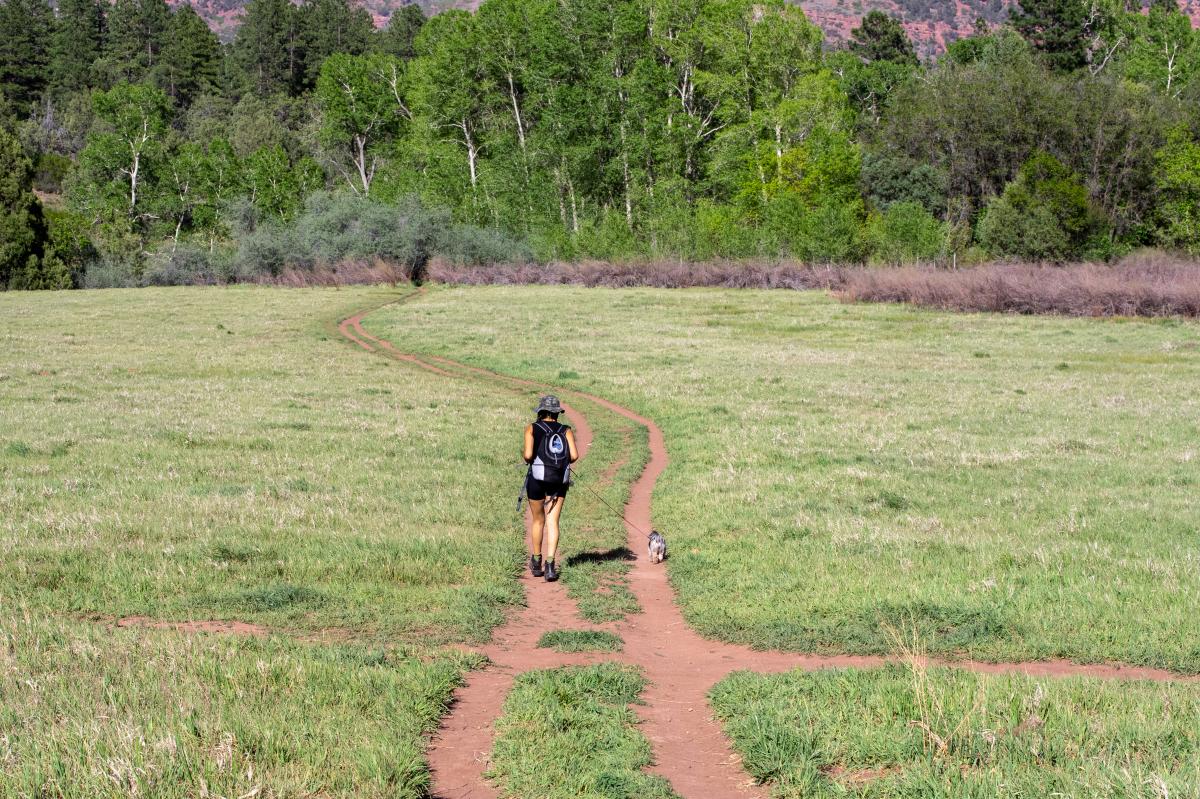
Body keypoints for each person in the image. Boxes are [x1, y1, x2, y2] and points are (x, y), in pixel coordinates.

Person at [523, 395, 579, 582]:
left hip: (537, 480)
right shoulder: (566, 430)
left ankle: (536, 561)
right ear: (556, 413)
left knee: (538, 520)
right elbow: (574, 456)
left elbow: (528, 455)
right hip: (558, 481)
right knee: (553, 521)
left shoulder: (532, 428)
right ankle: (550, 565)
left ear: (541, 412)